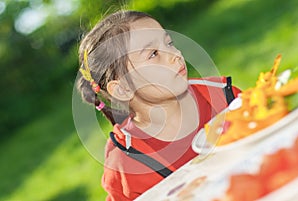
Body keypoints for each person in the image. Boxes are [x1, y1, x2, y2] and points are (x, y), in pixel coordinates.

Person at [77, 10, 241, 201]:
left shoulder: (221, 94)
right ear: (122, 89)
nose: (176, 54)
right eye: (153, 53)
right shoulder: (126, 164)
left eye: (169, 43)